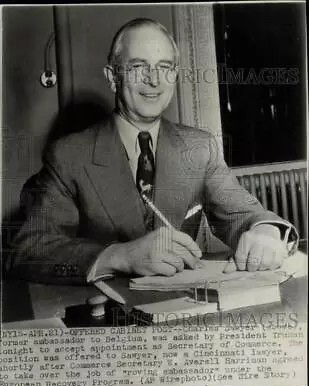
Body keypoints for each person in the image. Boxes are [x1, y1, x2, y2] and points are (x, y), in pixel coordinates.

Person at [6, 18, 298, 285]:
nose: (154, 80)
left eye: (164, 67)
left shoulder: (199, 148)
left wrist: (265, 232)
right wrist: (120, 256)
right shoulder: (69, 155)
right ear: (112, 76)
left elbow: (246, 214)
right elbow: (26, 250)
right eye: (138, 67)